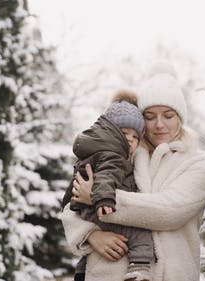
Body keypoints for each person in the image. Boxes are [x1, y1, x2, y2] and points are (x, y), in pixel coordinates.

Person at [61, 62, 205, 281]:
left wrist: (99, 197)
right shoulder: (123, 155)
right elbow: (71, 205)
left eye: (168, 116)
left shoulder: (199, 164)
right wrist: (91, 235)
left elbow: (169, 211)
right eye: (150, 117)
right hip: (106, 273)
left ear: (181, 117)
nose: (159, 124)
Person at [61, 90, 155, 281]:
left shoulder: (96, 152)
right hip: (104, 212)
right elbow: (105, 177)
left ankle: (81, 269)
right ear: (111, 132)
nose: (130, 139)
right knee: (140, 236)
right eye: (124, 133)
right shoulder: (112, 156)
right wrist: (100, 199)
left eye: (135, 136)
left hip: (96, 230)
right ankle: (140, 265)